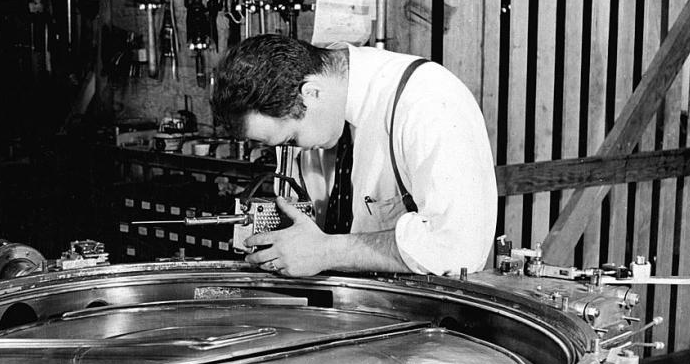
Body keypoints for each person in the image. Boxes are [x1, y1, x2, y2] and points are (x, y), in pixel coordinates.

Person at [210, 34, 497, 277]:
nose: (294, 149)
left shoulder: (428, 102)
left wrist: (325, 251)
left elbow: (458, 246)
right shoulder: (325, 111)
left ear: (311, 93)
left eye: (292, 139)